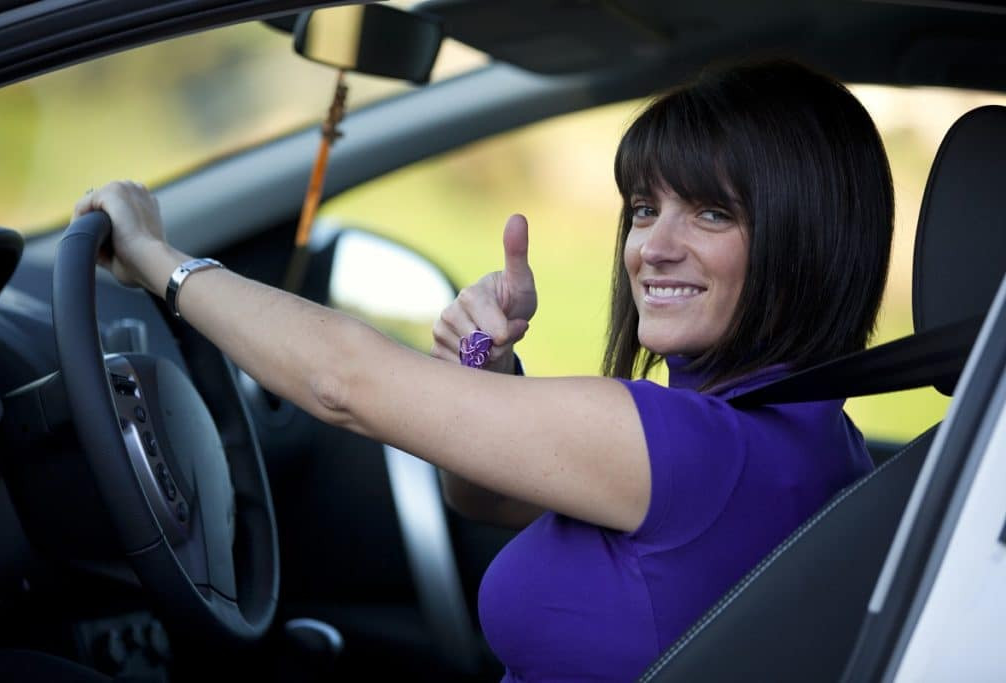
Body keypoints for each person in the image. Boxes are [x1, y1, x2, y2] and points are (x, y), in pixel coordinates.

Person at [75, 59, 893, 682]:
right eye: (644, 208)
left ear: (806, 238)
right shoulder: (812, 438)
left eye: (712, 211)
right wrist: (485, 364)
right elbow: (482, 493)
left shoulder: (698, 446)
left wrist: (159, 261)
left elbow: (341, 381)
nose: (651, 247)